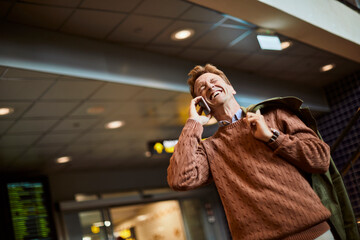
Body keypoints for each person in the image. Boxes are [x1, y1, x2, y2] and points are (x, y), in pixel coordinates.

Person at [167, 64, 335, 240]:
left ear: (231, 88)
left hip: (313, 233)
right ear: (202, 104)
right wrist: (193, 123)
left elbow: (321, 159)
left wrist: (272, 137)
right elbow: (180, 179)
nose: (209, 86)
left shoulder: (275, 115)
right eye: (202, 88)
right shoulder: (210, 148)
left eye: (214, 81)